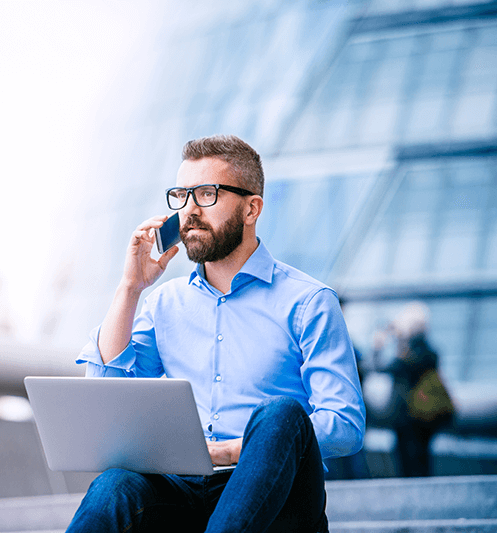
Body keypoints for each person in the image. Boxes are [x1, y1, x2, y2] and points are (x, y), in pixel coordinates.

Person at [70, 135, 366, 533]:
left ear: (251, 208)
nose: (188, 212)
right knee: (115, 486)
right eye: (181, 195)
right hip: (187, 489)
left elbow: (344, 424)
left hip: (280, 497)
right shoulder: (163, 305)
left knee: (281, 415)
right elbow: (102, 395)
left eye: (206, 194)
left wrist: (235, 450)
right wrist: (130, 289)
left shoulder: (309, 302)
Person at [378, 302, 454, 477]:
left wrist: (386, 343)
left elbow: (384, 367)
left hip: (412, 419)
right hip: (417, 419)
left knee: (411, 464)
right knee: (417, 462)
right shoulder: (426, 352)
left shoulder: (418, 353)